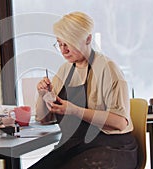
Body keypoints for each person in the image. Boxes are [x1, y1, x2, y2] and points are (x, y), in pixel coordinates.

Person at [30, 11, 138, 169]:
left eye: (69, 43)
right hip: (74, 148)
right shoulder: (65, 70)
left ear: (88, 39)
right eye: (59, 44)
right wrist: (42, 96)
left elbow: (120, 122)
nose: (63, 50)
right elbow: (44, 119)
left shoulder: (107, 69)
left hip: (112, 147)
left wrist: (76, 110)